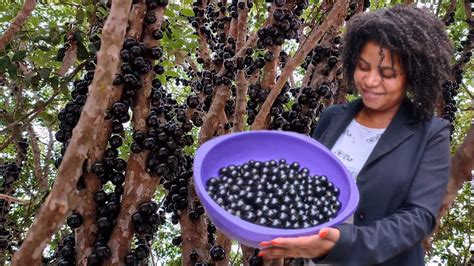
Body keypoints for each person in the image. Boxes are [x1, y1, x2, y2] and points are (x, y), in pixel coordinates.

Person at [257, 4, 453, 265]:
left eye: (387, 73)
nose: (371, 81)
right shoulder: (332, 118)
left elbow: (418, 218)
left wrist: (340, 244)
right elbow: (309, 187)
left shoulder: (431, 133)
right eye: (363, 67)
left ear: (412, 76)